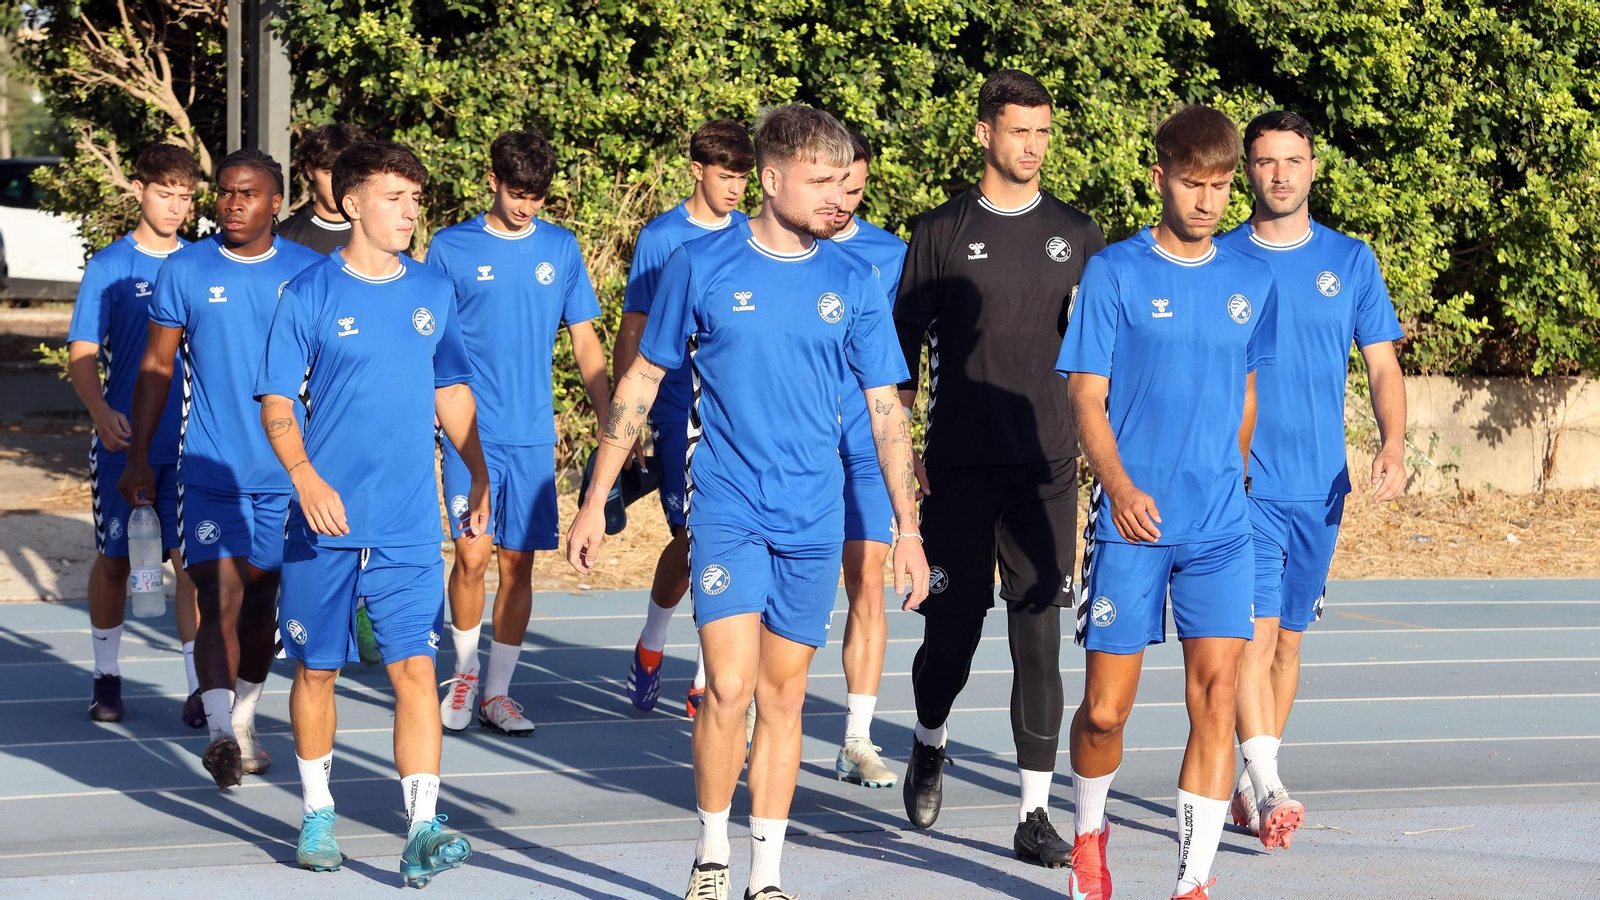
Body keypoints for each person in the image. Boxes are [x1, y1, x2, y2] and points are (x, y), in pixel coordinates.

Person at [568, 104, 929, 900]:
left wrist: (908, 527)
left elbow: (885, 410)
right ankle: (712, 854)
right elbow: (641, 380)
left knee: (783, 695)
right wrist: (596, 498)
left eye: (845, 181)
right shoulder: (699, 264)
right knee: (729, 687)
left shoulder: (854, 279)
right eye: (822, 181)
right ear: (771, 180)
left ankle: (766, 875)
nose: (840, 196)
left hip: (814, 513)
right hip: (727, 506)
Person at [1056, 105, 1279, 900]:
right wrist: (1117, 488)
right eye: (1194, 184)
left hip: (1220, 528)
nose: (1210, 201)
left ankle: (1191, 881)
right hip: (1131, 527)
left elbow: (1248, 392)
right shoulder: (1115, 273)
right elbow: (1087, 397)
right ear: (1160, 179)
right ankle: (1089, 832)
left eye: (1222, 186)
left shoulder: (1252, 279)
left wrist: (1234, 474)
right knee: (1105, 712)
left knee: (1218, 698)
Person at [255, 139, 488, 887]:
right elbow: (278, 401)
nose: (410, 212)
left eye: (416, 199)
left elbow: (451, 389)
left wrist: (479, 470)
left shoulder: (432, 292)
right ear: (352, 202)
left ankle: (422, 827)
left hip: (409, 524)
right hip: (323, 523)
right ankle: (318, 814)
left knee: (414, 671)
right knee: (317, 670)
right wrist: (304, 478)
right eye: (395, 197)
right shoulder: (309, 292)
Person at [893, 69, 1104, 867]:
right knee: (951, 641)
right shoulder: (940, 232)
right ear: (985, 132)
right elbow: (901, 355)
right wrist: (903, 449)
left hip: (1046, 467)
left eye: (1044, 133)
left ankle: (1034, 815)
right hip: (956, 466)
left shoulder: (1079, 235)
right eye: (1020, 131)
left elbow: (1099, 351)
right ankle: (930, 739)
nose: (1034, 146)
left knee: (1040, 640)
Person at [1217, 110, 1407, 849]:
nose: (1280, 174)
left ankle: (1249, 780)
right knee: (1251, 638)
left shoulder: (1351, 261)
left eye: (1292, 160)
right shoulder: (1221, 258)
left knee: (1289, 641)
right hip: (1245, 486)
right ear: (1249, 172)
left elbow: (1382, 363)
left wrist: (1392, 442)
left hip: (1322, 485)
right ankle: (1271, 786)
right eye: (1265, 162)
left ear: (1313, 167)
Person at [120, 149, 322, 787]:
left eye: (249, 194)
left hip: (288, 475)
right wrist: (139, 456)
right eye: (227, 193)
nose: (234, 204)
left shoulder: (312, 272)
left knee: (262, 602)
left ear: (276, 205)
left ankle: (244, 717)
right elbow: (156, 370)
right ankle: (219, 733)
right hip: (208, 469)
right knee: (218, 596)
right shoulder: (185, 270)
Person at [427, 128, 610, 737]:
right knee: (472, 555)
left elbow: (585, 339)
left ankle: (498, 693)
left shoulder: (560, 248)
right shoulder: (449, 248)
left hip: (532, 434)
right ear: (493, 181)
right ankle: (463, 675)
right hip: (469, 435)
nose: (526, 205)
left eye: (536, 195)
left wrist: (612, 418)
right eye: (516, 193)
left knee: (519, 563)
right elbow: (428, 339)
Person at [614, 119, 754, 717]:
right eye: (727, 176)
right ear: (697, 170)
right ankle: (651, 644)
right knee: (691, 539)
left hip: (738, 415)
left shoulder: (753, 233)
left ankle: (706, 681)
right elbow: (636, 330)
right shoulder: (662, 236)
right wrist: (627, 421)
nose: (737, 189)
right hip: (674, 410)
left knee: (724, 541)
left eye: (745, 178)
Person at [66, 145, 203, 726]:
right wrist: (100, 411)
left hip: (196, 448)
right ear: (140, 190)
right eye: (164, 193)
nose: (175, 206)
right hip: (126, 445)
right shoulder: (110, 265)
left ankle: (202, 688)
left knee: (192, 566)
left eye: (185, 196)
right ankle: (107, 678)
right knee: (117, 560)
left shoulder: (203, 263)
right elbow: (82, 353)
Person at [826, 127, 907, 790]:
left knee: (867, 582)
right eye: (835, 186)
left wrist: (909, 449)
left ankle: (857, 736)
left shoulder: (890, 255)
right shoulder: (764, 246)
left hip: (865, 446)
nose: (845, 200)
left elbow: (903, 373)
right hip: (787, 450)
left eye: (857, 187)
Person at [278, 124, 369, 255]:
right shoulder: (286, 236)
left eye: (346, 173)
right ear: (310, 171)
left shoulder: (381, 235)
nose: (338, 181)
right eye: (329, 173)